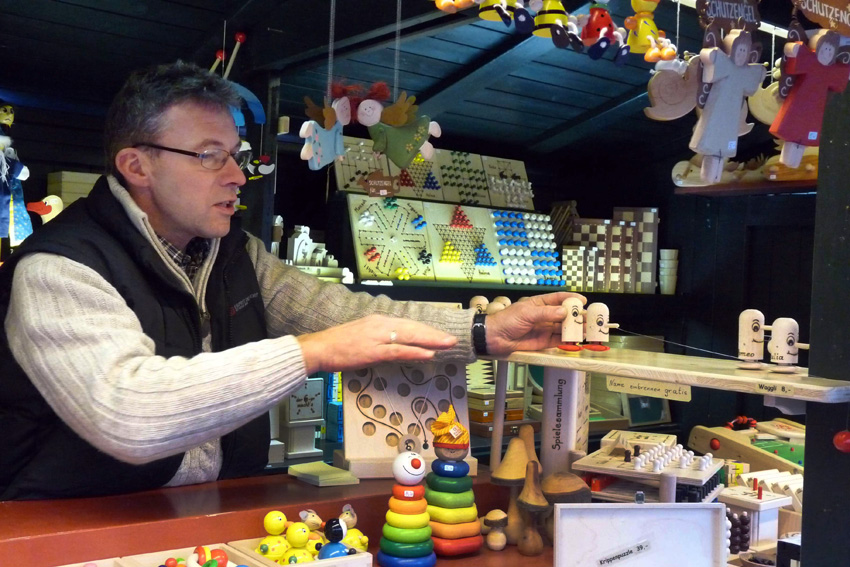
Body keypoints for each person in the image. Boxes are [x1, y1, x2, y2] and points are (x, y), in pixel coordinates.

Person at [0, 61, 583, 500]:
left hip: (205, 512)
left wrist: (485, 330)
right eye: (209, 155)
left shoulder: (234, 254)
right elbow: (127, 414)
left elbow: (341, 312)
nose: (236, 176)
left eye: (236, 154)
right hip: (61, 529)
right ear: (137, 165)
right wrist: (311, 353)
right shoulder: (60, 270)